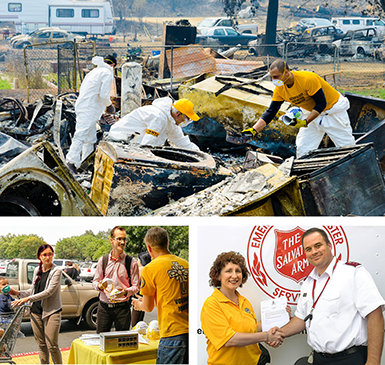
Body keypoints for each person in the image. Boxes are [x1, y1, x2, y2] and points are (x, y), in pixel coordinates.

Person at [274, 227, 385, 365]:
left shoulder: (353, 273)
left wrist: (373, 361)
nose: (314, 252)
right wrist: (279, 333)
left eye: (318, 245)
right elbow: (301, 319)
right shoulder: (308, 283)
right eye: (308, 249)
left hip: (350, 359)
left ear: (329, 246)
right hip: (318, 359)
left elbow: (375, 316)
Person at [242, 59, 355, 157]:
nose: (273, 80)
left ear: (286, 72)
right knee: (303, 148)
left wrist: (305, 122)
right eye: (271, 77)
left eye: (276, 77)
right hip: (311, 113)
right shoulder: (280, 89)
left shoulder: (307, 79)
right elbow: (271, 112)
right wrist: (254, 130)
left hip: (332, 111)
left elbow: (321, 104)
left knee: (346, 148)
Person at [201, 251, 282, 365]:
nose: (234, 275)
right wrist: (266, 336)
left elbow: (252, 328)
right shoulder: (212, 304)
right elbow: (229, 340)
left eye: (238, 271)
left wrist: (280, 315)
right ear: (218, 276)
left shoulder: (244, 301)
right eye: (229, 271)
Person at [132, 227, 189, 364]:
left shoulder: (150, 269)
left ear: (149, 248)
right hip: (190, 333)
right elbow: (173, 297)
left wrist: (138, 304)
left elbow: (148, 307)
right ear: (167, 243)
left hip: (172, 335)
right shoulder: (185, 264)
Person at [10, 244, 63, 364]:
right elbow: (33, 290)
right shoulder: (37, 270)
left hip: (52, 311)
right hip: (35, 312)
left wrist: (27, 299)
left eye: (50, 254)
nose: (48, 257)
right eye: (44, 255)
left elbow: (49, 292)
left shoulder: (57, 271)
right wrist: (18, 293)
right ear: (39, 257)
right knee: (41, 344)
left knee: (52, 346)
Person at [66, 54, 117, 171]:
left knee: (90, 138)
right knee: (81, 135)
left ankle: (85, 163)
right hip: (89, 108)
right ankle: (71, 162)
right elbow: (104, 95)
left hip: (85, 106)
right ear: (113, 65)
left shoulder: (94, 72)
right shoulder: (107, 73)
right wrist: (109, 106)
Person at [92, 226, 139, 333]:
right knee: (101, 340)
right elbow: (95, 281)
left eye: (124, 239)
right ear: (111, 240)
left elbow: (136, 287)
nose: (122, 242)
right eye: (119, 239)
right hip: (104, 307)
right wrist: (99, 286)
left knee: (122, 342)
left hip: (123, 308)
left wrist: (126, 292)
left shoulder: (131, 262)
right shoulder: (103, 260)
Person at [107, 97, 200, 151]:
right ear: (178, 114)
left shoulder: (171, 122)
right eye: (187, 118)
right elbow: (147, 145)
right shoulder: (159, 117)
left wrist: (201, 154)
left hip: (131, 143)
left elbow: (182, 142)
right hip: (119, 140)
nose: (187, 122)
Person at [131, 251, 152, 328]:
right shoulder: (150, 269)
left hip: (138, 296)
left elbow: (136, 283)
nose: (137, 261)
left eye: (138, 259)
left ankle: (135, 335)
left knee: (134, 322)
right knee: (140, 320)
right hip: (145, 296)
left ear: (141, 260)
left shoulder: (140, 269)